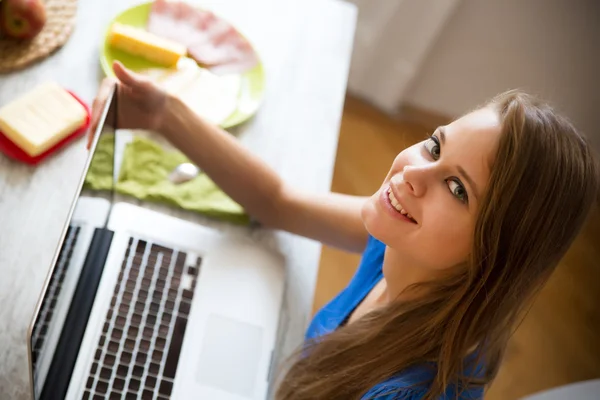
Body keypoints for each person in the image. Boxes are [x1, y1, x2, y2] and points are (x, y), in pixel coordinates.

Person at [89, 61, 599, 399]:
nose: (412, 173)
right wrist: (164, 114)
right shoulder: (401, 244)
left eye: (457, 189)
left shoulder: (402, 392)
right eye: (435, 146)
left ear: (496, 250)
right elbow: (278, 201)